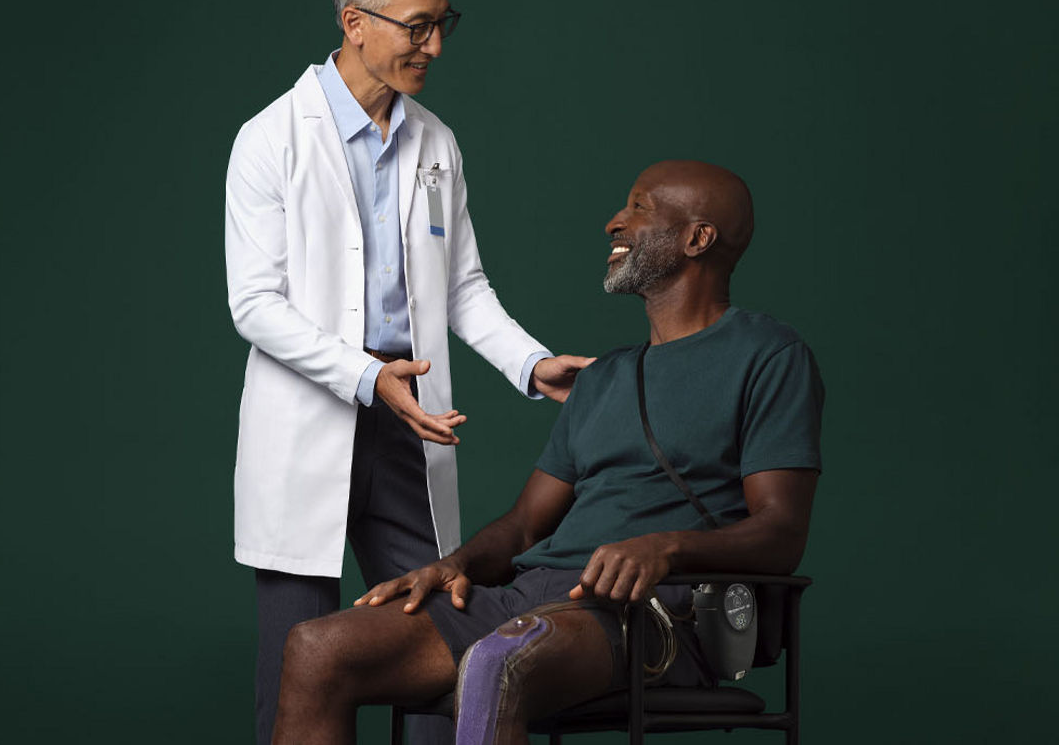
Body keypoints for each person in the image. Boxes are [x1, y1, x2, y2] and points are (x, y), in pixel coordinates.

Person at [270, 160, 825, 745]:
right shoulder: (604, 376)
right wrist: (451, 566)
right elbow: (523, 526)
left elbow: (781, 533)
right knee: (318, 648)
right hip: (530, 597)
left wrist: (664, 546)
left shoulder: (768, 354)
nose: (615, 222)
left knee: (500, 662)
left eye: (639, 207)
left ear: (697, 237)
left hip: (656, 611)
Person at [224, 0, 592, 744]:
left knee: (437, 632)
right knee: (297, 658)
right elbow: (254, 305)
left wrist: (531, 363)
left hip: (408, 426)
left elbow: (462, 288)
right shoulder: (270, 139)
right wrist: (365, 376)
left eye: (442, 24)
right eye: (417, 27)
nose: (434, 46)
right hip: (310, 421)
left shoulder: (436, 144)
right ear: (356, 22)